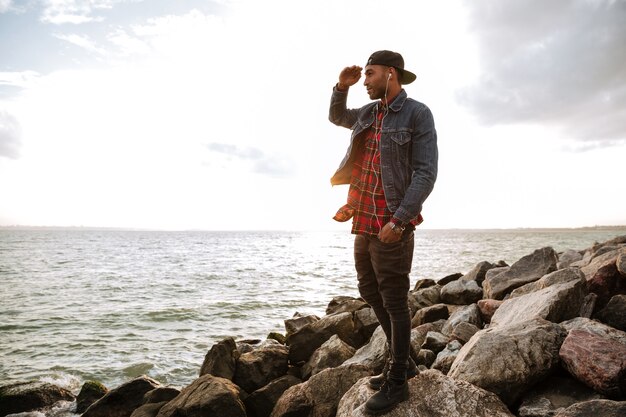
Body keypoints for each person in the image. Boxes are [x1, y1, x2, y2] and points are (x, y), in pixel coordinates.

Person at [329, 50, 438, 415]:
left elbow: (425, 172)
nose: (365, 81)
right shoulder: (368, 112)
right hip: (363, 216)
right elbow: (336, 116)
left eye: (370, 75)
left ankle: (397, 383)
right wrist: (340, 87)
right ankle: (403, 362)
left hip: (392, 221)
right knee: (367, 290)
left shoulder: (417, 113)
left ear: (391, 74)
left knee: (394, 300)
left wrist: (401, 220)